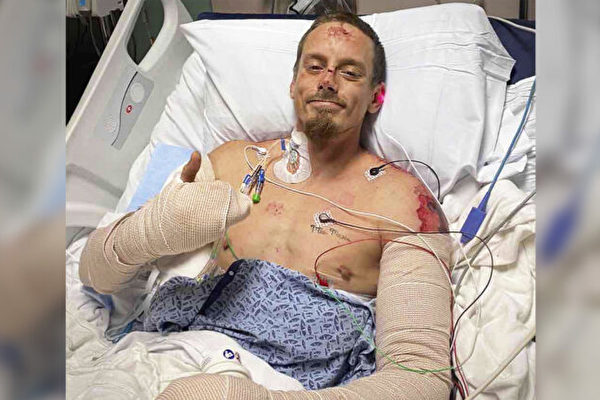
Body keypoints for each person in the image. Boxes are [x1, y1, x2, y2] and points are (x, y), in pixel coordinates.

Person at [79, 12, 453, 399]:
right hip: (159, 359)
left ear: (376, 97)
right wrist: (158, 229)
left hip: (286, 389)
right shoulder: (229, 162)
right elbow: (94, 274)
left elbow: (420, 379)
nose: (327, 81)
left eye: (349, 72)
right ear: (293, 84)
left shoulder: (403, 204)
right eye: (315, 67)